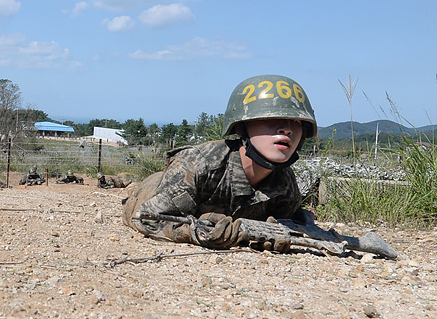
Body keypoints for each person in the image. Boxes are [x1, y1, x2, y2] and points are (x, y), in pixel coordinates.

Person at [122, 74, 315, 251]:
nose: (287, 130)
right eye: (272, 119)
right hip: (153, 188)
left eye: (296, 122)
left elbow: (287, 222)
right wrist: (199, 233)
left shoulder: (284, 182)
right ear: (241, 128)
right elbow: (145, 218)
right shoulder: (198, 164)